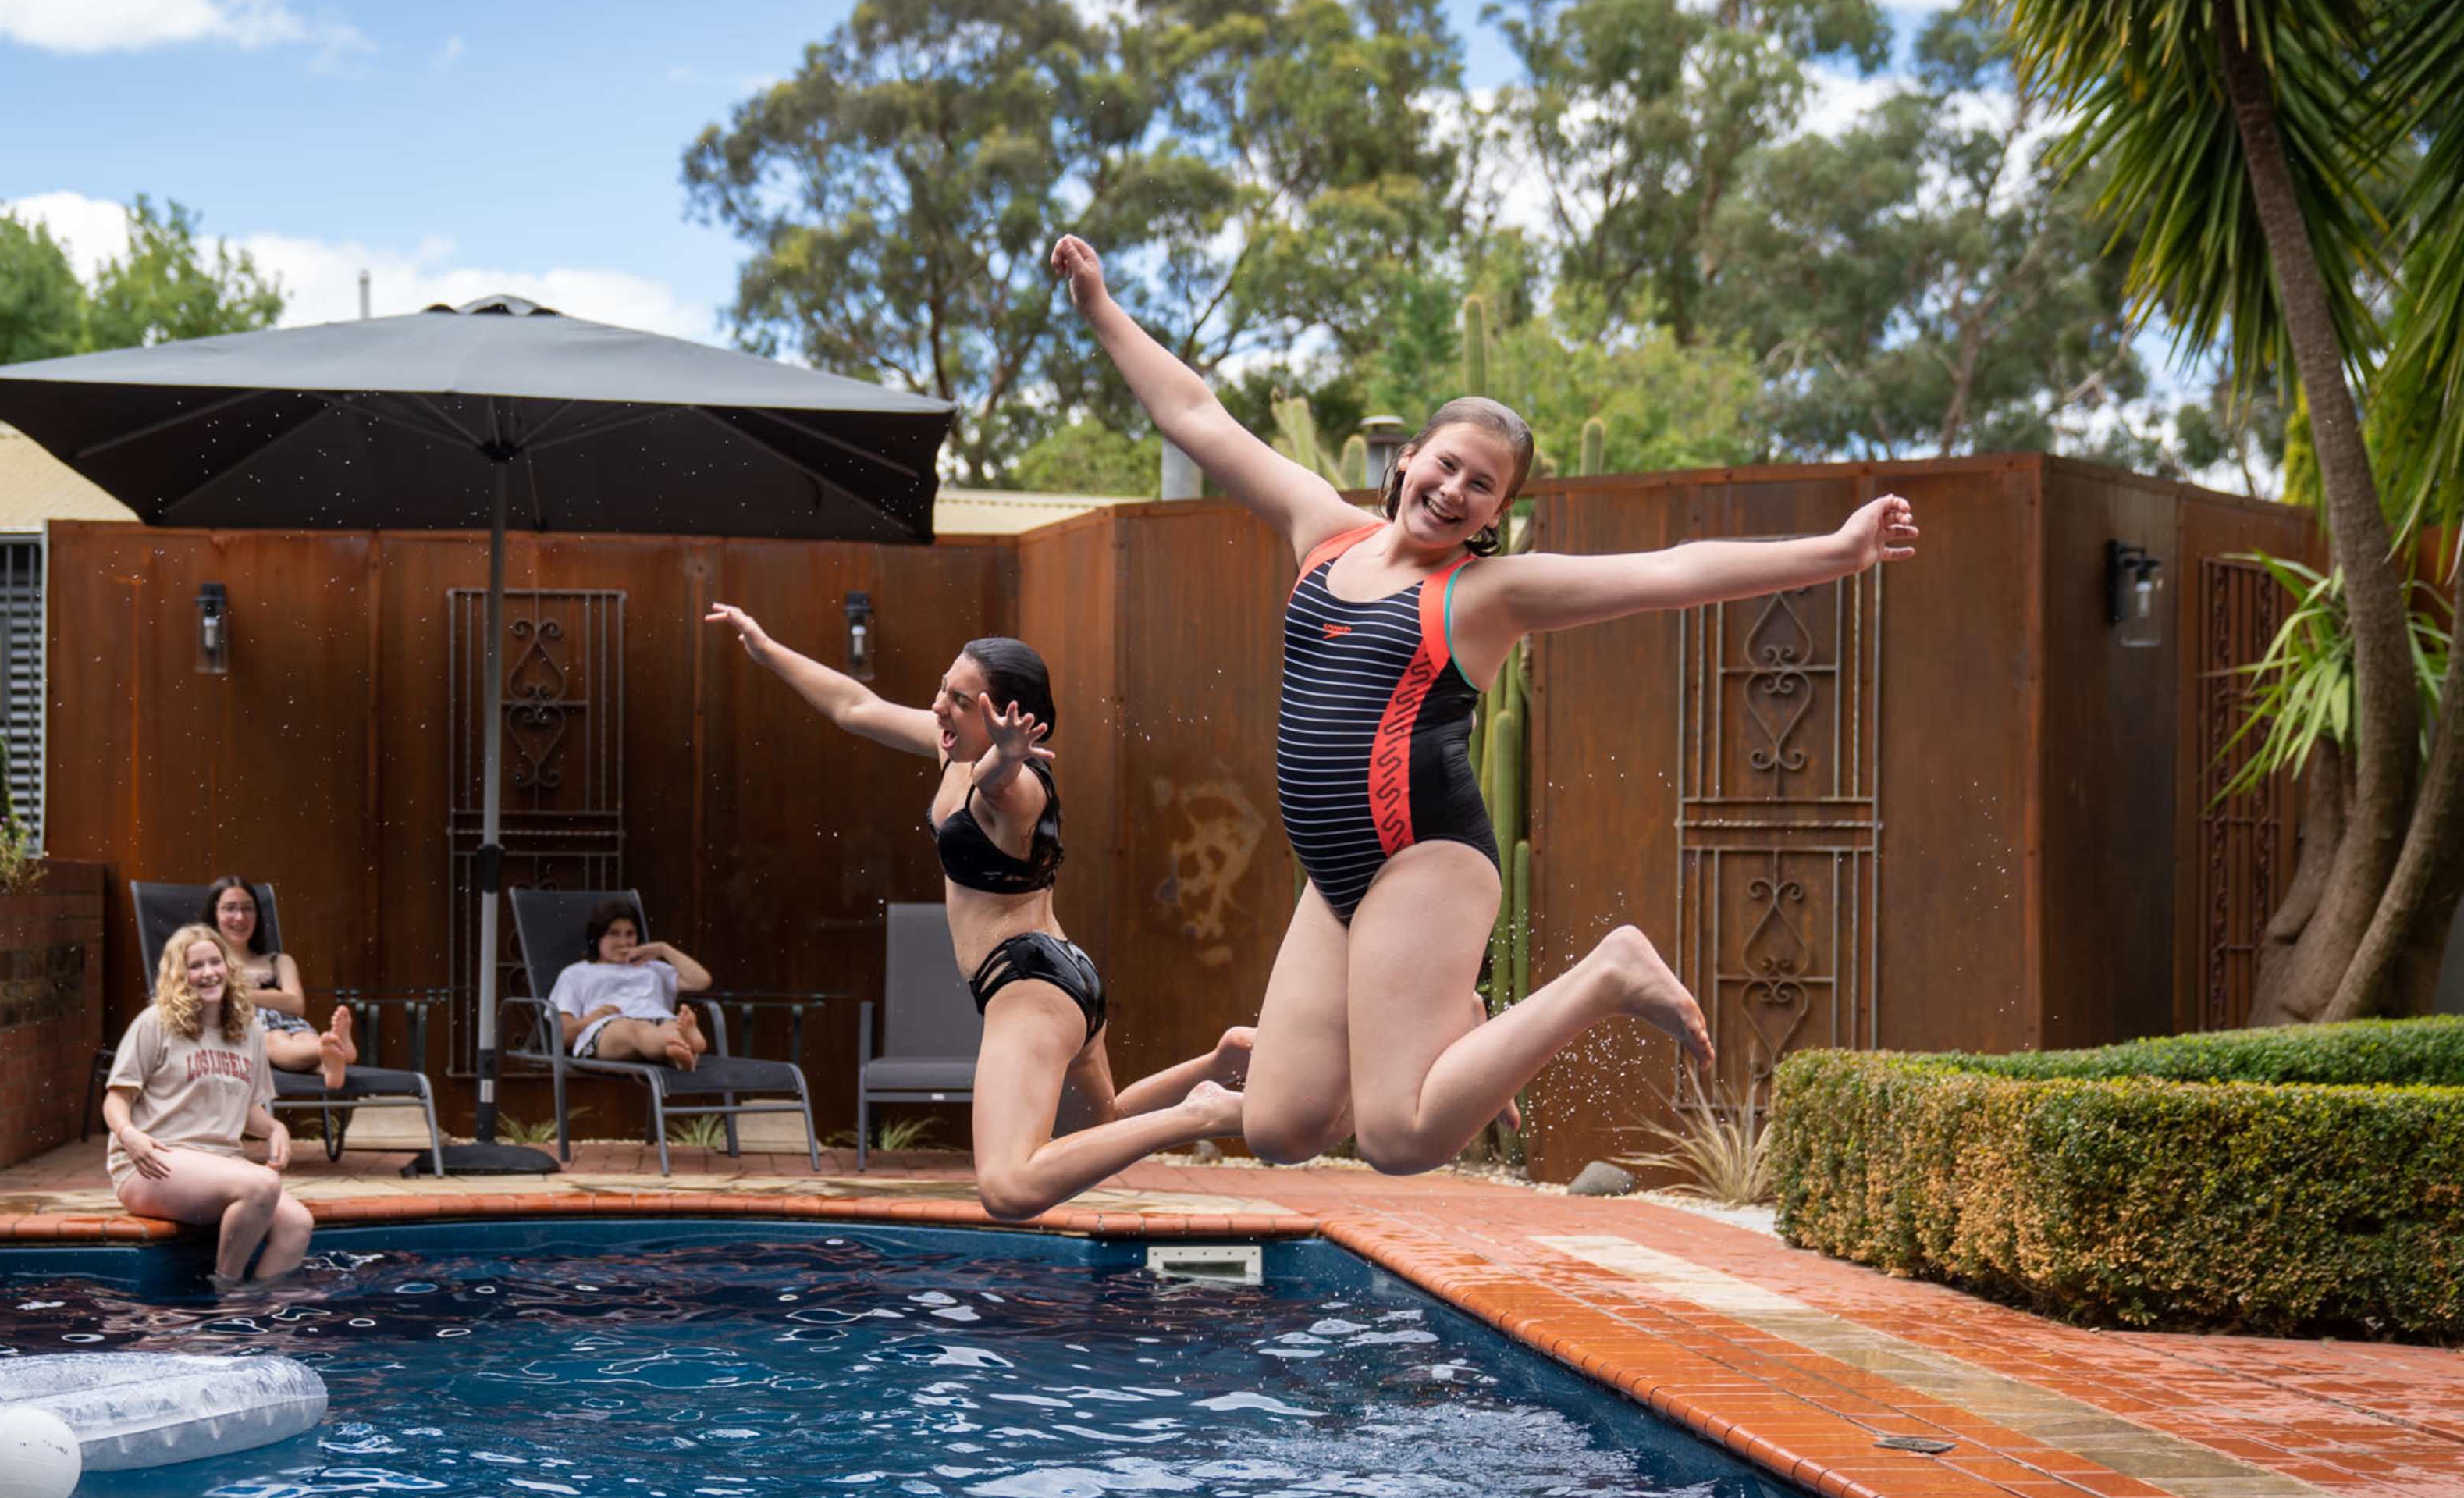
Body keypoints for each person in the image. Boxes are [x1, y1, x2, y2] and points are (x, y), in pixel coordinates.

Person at [1051, 231, 1919, 1175]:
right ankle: (1459, 1030)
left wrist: (1836, 552)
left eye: (1483, 485)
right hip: (1335, 876)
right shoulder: (1324, 533)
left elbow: (1671, 571)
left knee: (1398, 1138)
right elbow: (1196, 413)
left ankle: (1609, 971)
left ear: (1497, 514)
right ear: (1409, 457)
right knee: (1278, 1130)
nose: (1455, 490)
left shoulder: (1485, 595)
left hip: (1422, 864)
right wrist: (1101, 306)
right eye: (1448, 464)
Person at [703, 606, 1253, 1220]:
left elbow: (997, 781)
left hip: (1025, 986)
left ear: (1004, 719)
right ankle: (1221, 1064)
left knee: (1007, 1188)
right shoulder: (954, 753)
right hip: (1063, 977)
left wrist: (1009, 754)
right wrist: (767, 647)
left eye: (960, 701)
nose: (940, 705)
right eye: (944, 688)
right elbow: (853, 707)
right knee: (1098, 1133)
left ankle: (1200, 1115)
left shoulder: (1016, 787)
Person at [103, 923, 315, 1282]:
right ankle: (227, 1293)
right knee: (260, 1185)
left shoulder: (248, 1030)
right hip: (154, 1161)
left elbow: (246, 1110)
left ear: (229, 967)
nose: (208, 973)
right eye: (195, 966)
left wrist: (275, 1127)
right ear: (178, 975)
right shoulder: (156, 1022)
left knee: (297, 1224)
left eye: (215, 962)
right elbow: (115, 1099)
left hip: (219, 1165)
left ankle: (257, 1306)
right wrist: (128, 1135)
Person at [204, 876, 356, 1090]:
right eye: (230, 908)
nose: (240, 917)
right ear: (214, 914)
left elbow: (296, 1005)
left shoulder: (280, 961)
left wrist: (239, 990)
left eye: (248, 909)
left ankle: (329, 1062)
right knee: (275, 1040)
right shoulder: (207, 962)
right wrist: (275, 995)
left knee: (304, 1037)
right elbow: (211, 997)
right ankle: (333, 1047)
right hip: (247, 1030)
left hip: (292, 1024)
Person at [549, 900, 713, 1069]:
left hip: (658, 1020)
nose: (624, 942)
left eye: (630, 934)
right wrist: (593, 1017)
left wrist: (662, 949)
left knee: (669, 1026)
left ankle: (679, 1056)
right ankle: (685, 1043)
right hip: (609, 1028)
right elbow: (562, 1035)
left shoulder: (651, 967)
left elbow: (701, 981)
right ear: (597, 937)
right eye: (614, 933)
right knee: (637, 1029)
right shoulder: (575, 974)